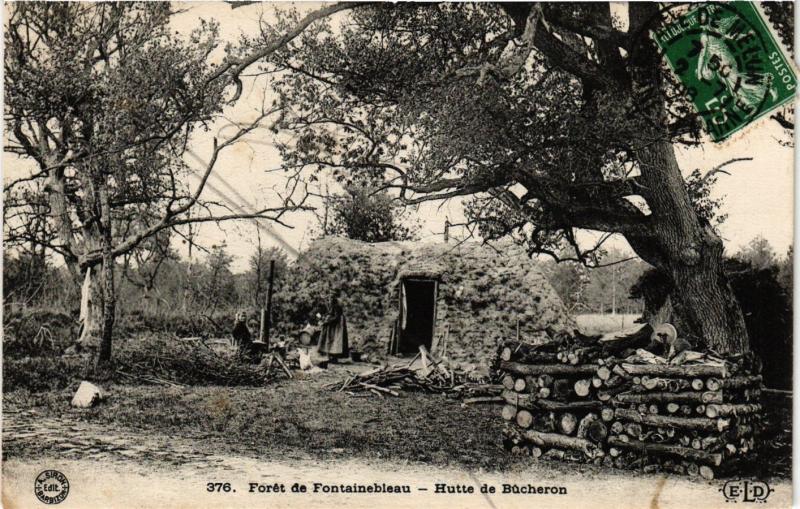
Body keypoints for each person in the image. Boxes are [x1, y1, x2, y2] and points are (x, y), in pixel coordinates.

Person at [317, 292, 349, 362]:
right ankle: (331, 356)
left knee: (336, 340)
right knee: (329, 339)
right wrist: (324, 318)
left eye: (331, 298)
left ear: (334, 299)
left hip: (337, 326)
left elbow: (337, 317)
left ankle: (334, 357)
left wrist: (327, 321)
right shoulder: (330, 305)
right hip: (332, 324)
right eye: (329, 298)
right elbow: (329, 313)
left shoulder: (337, 306)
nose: (329, 300)